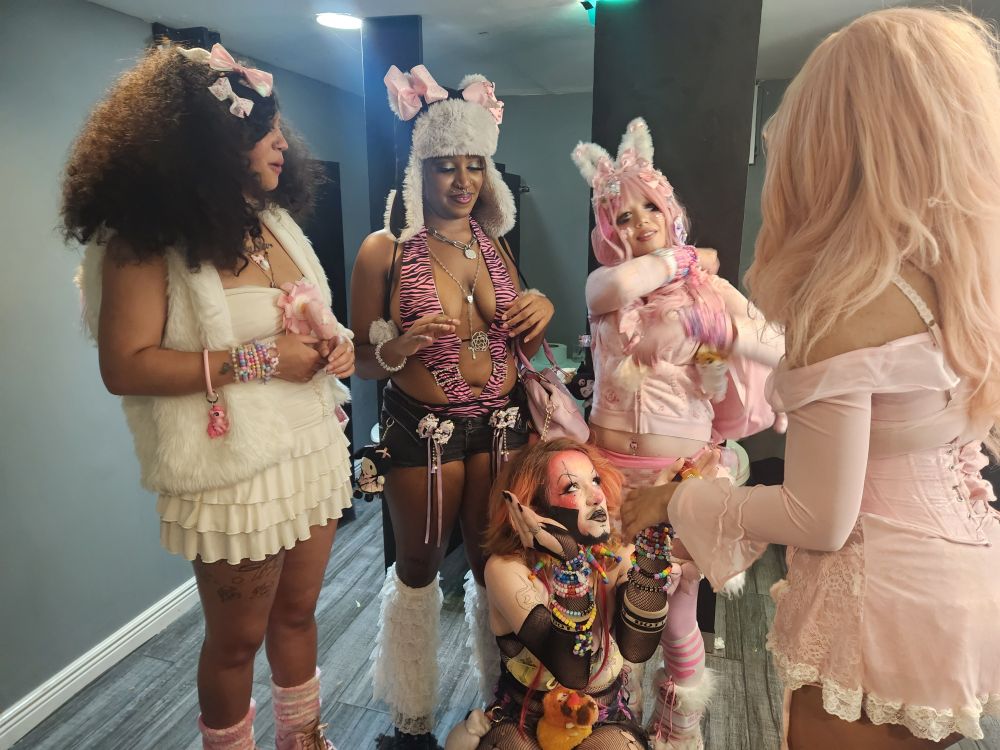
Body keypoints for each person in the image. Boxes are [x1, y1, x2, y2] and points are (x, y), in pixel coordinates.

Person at [621, 8, 1000, 749]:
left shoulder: (851, 296)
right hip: (965, 582)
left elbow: (821, 515)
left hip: (883, 601)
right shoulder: (958, 283)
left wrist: (679, 499)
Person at [63, 43, 355, 750]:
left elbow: (307, 317)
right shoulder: (143, 236)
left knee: (299, 614)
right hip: (234, 474)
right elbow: (124, 365)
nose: (282, 141)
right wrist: (263, 359)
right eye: (262, 129)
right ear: (212, 142)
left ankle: (304, 738)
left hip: (311, 447)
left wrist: (336, 345)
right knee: (235, 643)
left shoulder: (272, 223)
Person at [350, 66, 554, 749]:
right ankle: (410, 714)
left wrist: (543, 306)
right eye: (445, 167)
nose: (462, 181)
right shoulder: (386, 250)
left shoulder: (493, 246)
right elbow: (356, 357)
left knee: (499, 565)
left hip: (501, 425)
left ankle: (504, 699)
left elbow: (524, 330)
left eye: (473, 166)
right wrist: (400, 344)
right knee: (418, 567)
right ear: (420, 172)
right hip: (425, 430)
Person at [572, 118, 783, 748]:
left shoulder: (713, 293)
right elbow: (614, 282)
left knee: (674, 616)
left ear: (670, 210)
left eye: (649, 208)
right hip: (602, 474)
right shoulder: (606, 290)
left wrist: (711, 327)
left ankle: (677, 731)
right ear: (607, 230)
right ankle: (612, 725)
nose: (637, 224)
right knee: (604, 610)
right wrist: (682, 257)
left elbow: (777, 347)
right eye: (621, 216)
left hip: (674, 478)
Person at [449, 438, 711, 749]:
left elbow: (637, 646)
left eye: (596, 481)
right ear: (530, 508)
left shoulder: (616, 558)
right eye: (572, 488)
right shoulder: (505, 569)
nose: (597, 496)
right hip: (523, 718)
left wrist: (655, 529)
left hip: (604, 716)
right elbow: (571, 670)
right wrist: (569, 562)